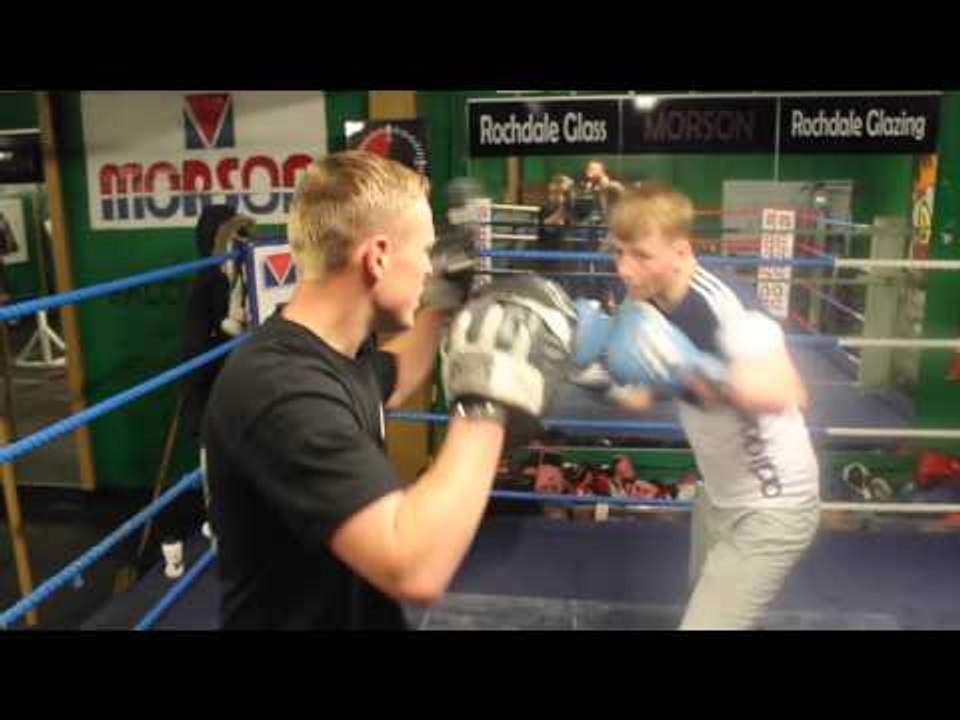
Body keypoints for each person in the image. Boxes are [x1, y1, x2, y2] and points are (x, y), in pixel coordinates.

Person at [202, 150, 575, 630]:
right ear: (377, 257)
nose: (428, 266)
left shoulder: (334, 358)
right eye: (423, 252)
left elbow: (395, 372)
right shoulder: (276, 387)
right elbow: (413, 566)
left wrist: (443, 301)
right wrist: (488, 397)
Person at [588, 181, 820, 630]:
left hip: (775, 504)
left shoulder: (724, 307)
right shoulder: (646, 305)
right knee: (717, 609)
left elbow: (789, 391)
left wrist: (695, 367)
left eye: (640, 255)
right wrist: (594, 379)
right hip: (718, 497)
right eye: (618, 253)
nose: (625, 269)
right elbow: (642, 394)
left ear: (680, 250)